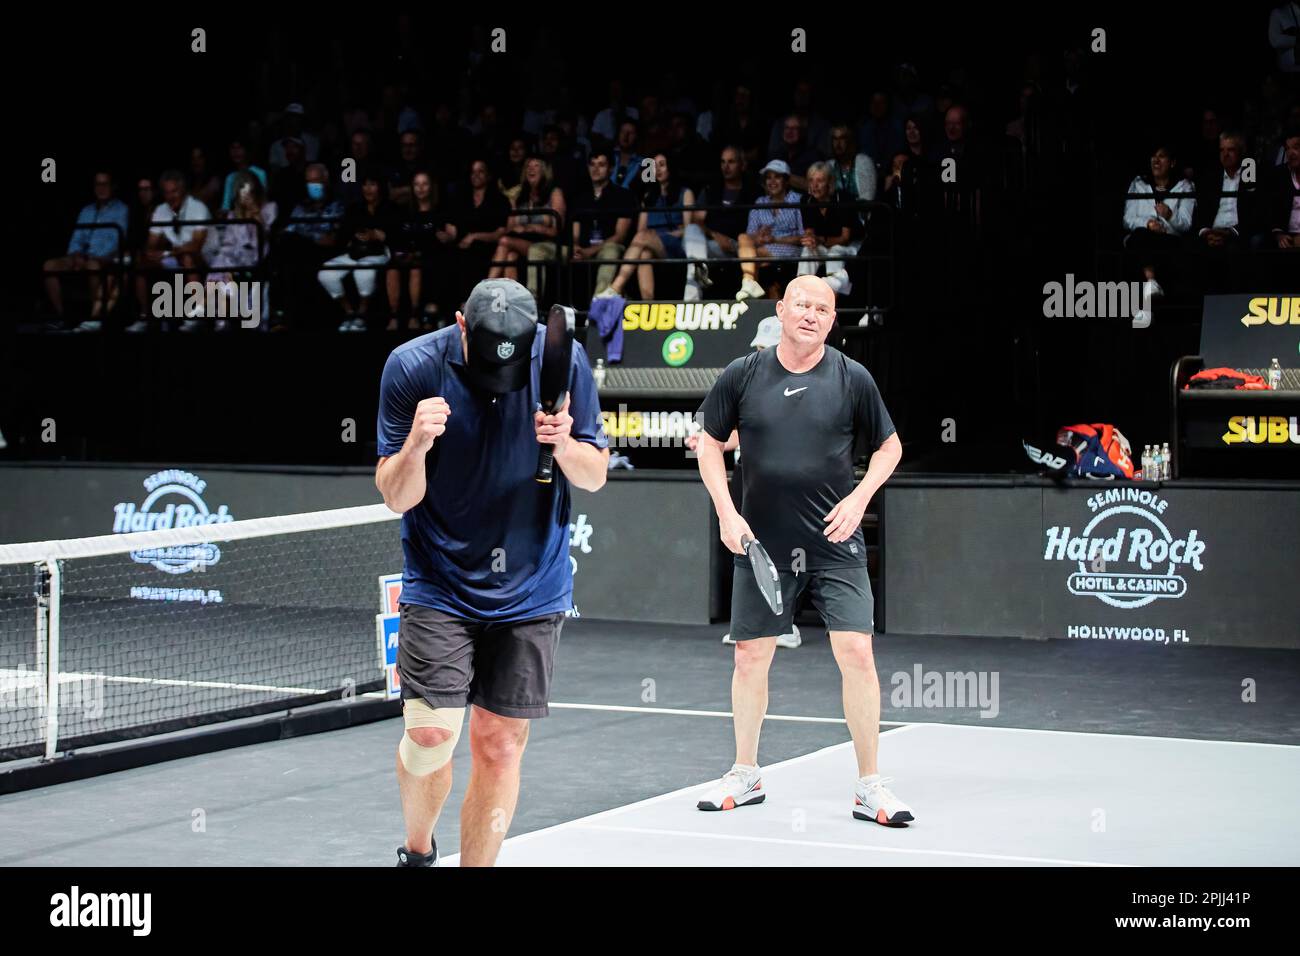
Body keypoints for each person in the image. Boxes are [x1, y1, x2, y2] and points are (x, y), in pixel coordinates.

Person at [376, 278, 610, 868]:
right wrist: (416, 446)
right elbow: (395, 497)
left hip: (533, 582)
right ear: (460, 326)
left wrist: (562, 445)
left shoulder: (563, 358)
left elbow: (595, 475)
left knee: (499, 744)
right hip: (440, 577)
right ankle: (418, 849)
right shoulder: (413, 368)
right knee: (431, 736)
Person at [693, 274, 909, 824]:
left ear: (832, 320)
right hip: (761, 542)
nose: (811, 315)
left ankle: (869, 785)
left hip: (836, 542)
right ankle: (745, 775)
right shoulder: (743, 374)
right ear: (782, 309)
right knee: (751, 656)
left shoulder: (851, 376)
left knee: (857, 653)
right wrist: (726, 510)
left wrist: (861, 498)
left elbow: (891, 445)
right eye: (802, 305)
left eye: (823, 308)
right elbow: (710, 443)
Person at [127, 169, 220, 333]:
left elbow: (196, 245)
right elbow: (151, 245)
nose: (171, 197)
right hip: (178, 256)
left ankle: (197, 313)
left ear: (183, 190)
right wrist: (151, 255)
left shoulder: (197, 207)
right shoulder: (161, 210)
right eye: (167, 192)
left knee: (188, 257)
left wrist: (167, 253)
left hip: (208, 259)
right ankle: (144, 316)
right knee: (141, 263)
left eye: (175, 191)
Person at [599, 153, 694, 300]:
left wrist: (665, 236)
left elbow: (690, 229)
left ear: (671, 167)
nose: (658, 169)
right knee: (644, 254)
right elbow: (641, 230)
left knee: (643, 238)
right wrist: (651, 237)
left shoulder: (685, 193)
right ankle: (648, 305)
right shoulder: (648, 197)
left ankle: (615, 287)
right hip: (649, 243)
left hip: (675, 245)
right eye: (654, 166)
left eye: (662, 165)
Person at [44, 170, 129, 332]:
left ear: (113, 187)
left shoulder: (121, 209)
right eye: (98, 184)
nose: (101, 188)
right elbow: (76, 238)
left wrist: (90, 258)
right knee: (49, 265)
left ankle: (94, 318)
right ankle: (62, 317)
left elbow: (115, 242)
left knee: (92, 265)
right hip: (81, 257)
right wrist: (76, 256)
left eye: (105, 184)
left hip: (103, 259)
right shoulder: (86, 210)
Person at [319, 170, 398, 331]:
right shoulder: (355, 208)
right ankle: (349, 313)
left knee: (363, 272)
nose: (368, 189)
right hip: (355, 252)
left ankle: (361, 315)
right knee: (325, 273)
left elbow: (396, 235)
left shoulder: (391, 208)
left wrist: (378, 235)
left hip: (378, 253)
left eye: (372, 185)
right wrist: (355, 235)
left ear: (380, 188)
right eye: (365, 185)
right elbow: (344, 234)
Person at [275, 163, 343, 331]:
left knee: (296, 246)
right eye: (309, 181)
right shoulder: (300, 207)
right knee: (288, 249)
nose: (312, 185)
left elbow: (331, 240)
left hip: (323, 255)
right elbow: (288, 233)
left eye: (316, 180)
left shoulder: (337, 206)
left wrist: (306, 237)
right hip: (297, 257)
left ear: (326, 181)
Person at [684, 145, 757, 300]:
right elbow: (697, 220)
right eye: (723, 162)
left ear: (742, 165)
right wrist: (715, 235)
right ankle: (699, 272)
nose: (726, 166)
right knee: (691, 231)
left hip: (739, 245)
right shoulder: (712, 189)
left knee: (695, 256)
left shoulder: (752, 191)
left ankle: (692, 294)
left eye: (731, 162)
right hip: (712, 245)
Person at [489, 156, 566, 297]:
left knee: (504, 242)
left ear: (544, 171)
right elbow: (509, 228)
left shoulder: (554, 193)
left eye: (536, 166)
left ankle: (486, 288)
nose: (531, 169)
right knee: (510, 256)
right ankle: (512, 300)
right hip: (521, 242)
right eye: (528, 166)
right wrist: (517, 223)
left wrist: (532, 228)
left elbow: (557, 230)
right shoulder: (520, 195)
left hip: (546, 244)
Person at [387, 169, 453, 331]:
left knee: (419, 267)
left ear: (431, 187)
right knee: (392, 266)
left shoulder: (440, 211)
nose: (420, 188)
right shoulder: (406, 212)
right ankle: (394, 316)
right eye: (416, 184)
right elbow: (399, 238)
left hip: (431, 257)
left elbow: (448, 237)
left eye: (424, 184)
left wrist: (446, 237)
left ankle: (416, 314)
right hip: (408, 255)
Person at [571, 147, 638, 300]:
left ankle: (598, 306)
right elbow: (575, 233)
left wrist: (590, 251)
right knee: (539, 250)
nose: (595, 169)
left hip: (607, 248)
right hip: (582, 250)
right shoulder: (580, 197)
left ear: (611, 168)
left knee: (611, 251)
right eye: (592, 164)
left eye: (601, 165)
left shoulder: (623, 196)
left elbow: (620, 236)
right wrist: (575, 246)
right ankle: (533, 304)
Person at [735, 159, 804, 300]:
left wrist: (775, 239)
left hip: (790, 248)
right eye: (768, 178)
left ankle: (750, 283)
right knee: (742, 238)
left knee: (750, 256)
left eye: (777, 177)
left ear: (786, 181)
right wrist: (758, 236)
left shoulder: (798, 200)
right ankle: (749, 281)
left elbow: (802, 236)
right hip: (765, 247)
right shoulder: (760, 202)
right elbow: (750, 236)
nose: (772, 181)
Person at [797, 161, 860, 295]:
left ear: (830, 182)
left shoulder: (843, 199)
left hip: (849, 247)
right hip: (824, 244)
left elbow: (845, 238)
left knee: (835, 252)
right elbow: (809, 232)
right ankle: (801, 290)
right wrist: (811, 240)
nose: (815, 185)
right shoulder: (806, 200)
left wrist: (819, 240)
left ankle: (832, 293)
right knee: (808, 249)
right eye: (811, 181)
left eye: (819, 181)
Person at [1122, 144, 1194, 247]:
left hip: (1169, 240)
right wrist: (1148, 224)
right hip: (1141, 238)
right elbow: (1128, 219)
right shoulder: (1138, 183)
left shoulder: (1185, 186)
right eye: (1153, 156)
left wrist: (1170, 215)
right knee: (1141, 238)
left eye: (1162, 156)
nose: (1156, 161)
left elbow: (1186, 225)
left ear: (1172, 163)